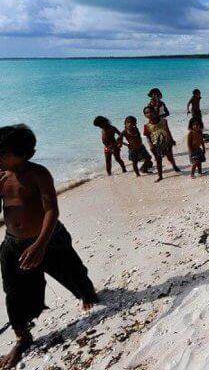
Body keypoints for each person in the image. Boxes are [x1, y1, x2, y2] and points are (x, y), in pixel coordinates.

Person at [0, 125, 99, 369]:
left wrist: (40, 244)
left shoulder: (38, 174)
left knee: (73, 272)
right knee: (14, 292)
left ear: (23, 154)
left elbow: (51, 210)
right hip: (13, 242)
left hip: (49, 238)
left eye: (3, 153)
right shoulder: (1, 175)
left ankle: (87, 294)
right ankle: (23, 336)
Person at [143, 106, 181, 182]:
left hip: (166, 142)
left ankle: (174, 165)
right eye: (147, 113)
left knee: (170, 156)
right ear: (145, 115)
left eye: (150, 111)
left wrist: (172, 139)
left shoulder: (163, 121)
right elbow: (148, 137)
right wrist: (151, 145)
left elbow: (167, 130)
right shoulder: (147, 126)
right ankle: (160, 176)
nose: (149, 114)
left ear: (154, 112)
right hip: (156, 145)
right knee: (158, 160)